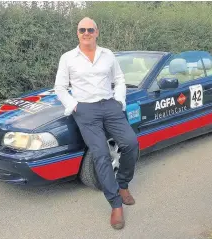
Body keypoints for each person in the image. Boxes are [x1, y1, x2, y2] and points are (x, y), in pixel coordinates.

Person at [54, 17, 139, 230]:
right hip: (85, 110)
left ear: (97, 32)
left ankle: (123, 184)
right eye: (82, 29)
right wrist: (75, 106)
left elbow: (119, 79)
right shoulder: (68, 58)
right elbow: (60, 87)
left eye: (90, 29)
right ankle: (115, 203)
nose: (86, 33)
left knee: (131, 143)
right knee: (100, 154)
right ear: (77, 33)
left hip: (110, 106)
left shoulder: (108, 54)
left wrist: (119, 100)